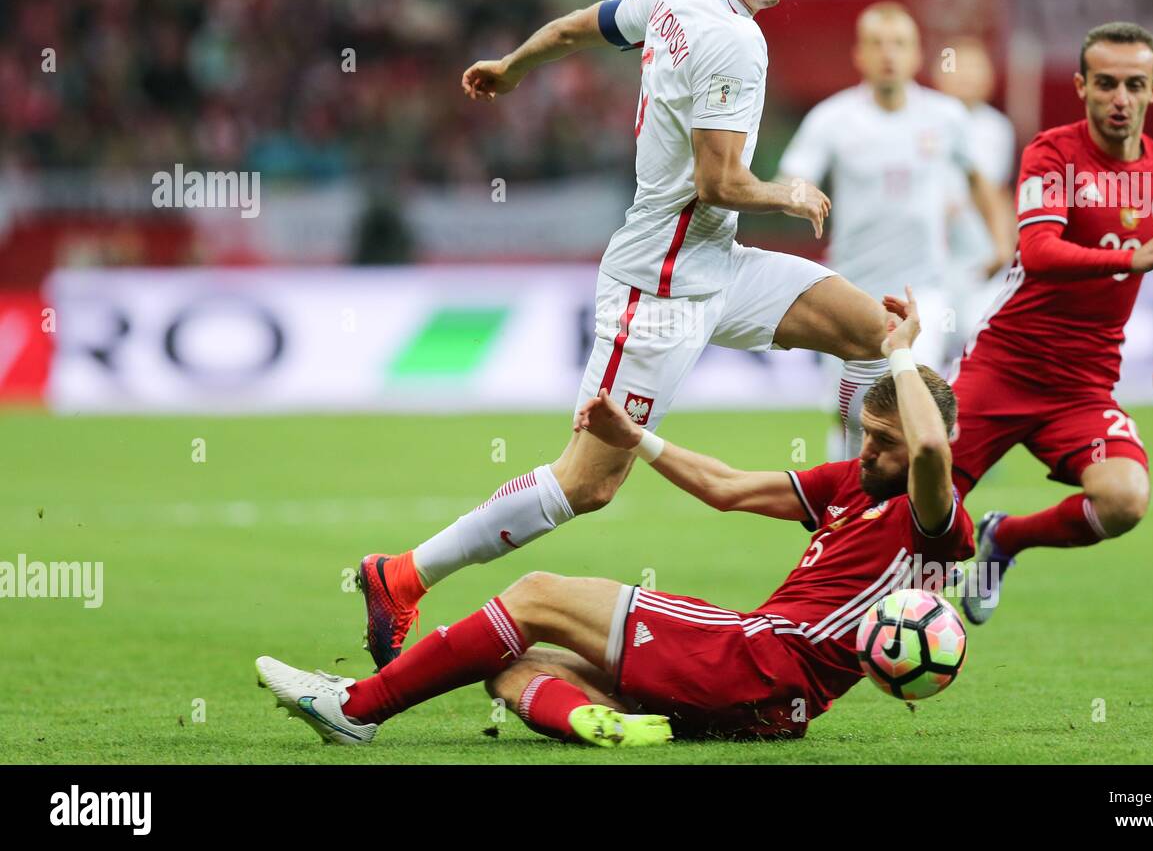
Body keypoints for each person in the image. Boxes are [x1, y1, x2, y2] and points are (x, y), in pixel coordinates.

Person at [354, 0, 899, 671]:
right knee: (588, 482)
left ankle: (852, 515)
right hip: (661, 286)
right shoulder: (734, 41)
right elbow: (719, 181)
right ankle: (401, 574)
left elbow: (581, 25)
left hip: (717, 263)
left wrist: (512, 64)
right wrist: (791, 190)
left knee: (872, 331)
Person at [256, 289, 974, 746]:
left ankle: (355, 706)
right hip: (764, 705)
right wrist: (639, 439)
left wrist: (900, 354)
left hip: (758, 656)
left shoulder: (932, 515)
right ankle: (598, 722)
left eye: (886, 440)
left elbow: (935, 445)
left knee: (536, 591)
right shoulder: (851, 482)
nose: (869, 447)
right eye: (868, 433)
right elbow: (727, 487)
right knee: (509, 667)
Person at [953, 21, 1153, 624]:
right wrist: (1130, 257)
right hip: (1002, 367)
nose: (1119, 98)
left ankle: (1007, 539)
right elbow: (1040, 252)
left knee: (1124, 499)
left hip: (1081, 389)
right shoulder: (1052, 153)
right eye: (1105, 84)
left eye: (1132, 85)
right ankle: (869, 611)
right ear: (1081, 86)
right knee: (925, 502)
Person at [777, 4, 1014, 460]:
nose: (889, 54)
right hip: (847, 290)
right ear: (859, 55)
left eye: (899, 44)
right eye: (877, 44)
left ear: (916, 54)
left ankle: (905, 518)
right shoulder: (834, 118)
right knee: (851, 413)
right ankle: (844, 509)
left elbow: (979, 180)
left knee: (911, 405)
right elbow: (794, 173)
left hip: (923, 290)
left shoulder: (944, 117)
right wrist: (798, 194)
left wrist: (1001, 240)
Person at [931, 36, 1018, 360]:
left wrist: (1006, 244)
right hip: (932, 256)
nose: (967, 76)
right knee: (930, 340)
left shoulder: (998, 129)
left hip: (980, 255)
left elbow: (997, 190)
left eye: (976, 68)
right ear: (939, 74)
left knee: (981, 337)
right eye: (959, 67)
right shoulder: (925, 121)